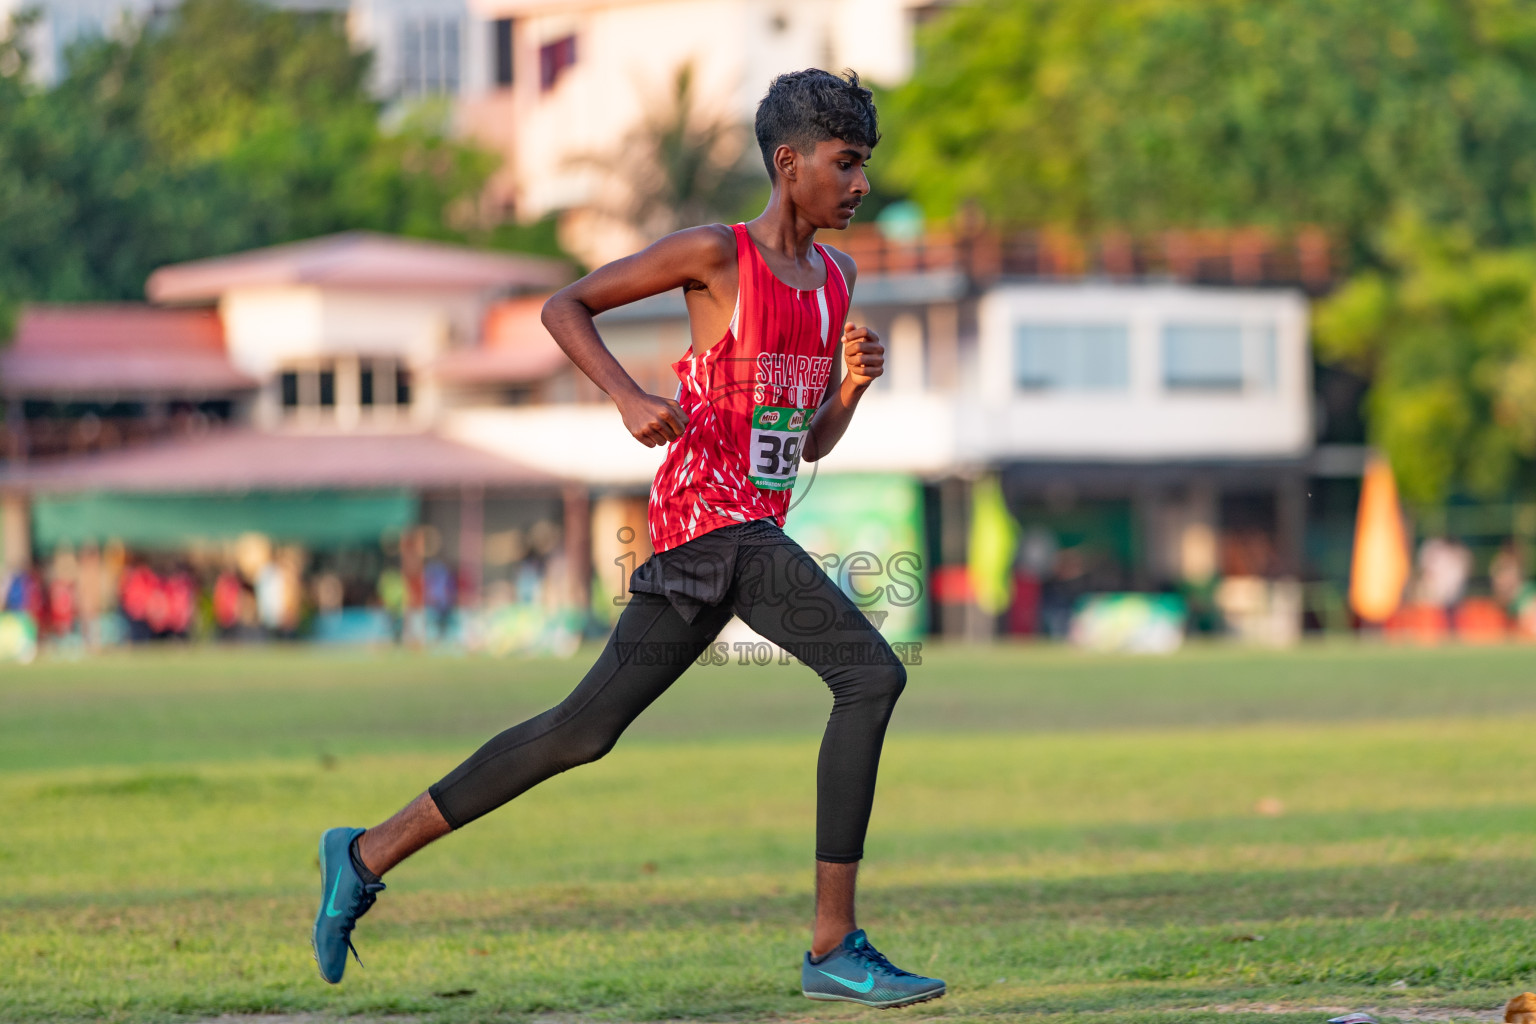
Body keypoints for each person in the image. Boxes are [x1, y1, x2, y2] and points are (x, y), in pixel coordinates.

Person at [310, 68, 945, 1009]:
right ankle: (833, 942)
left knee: (580, 731)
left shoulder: (838, 281)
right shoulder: (716, 255)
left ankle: (363, 852)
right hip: (704, 518)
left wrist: (849, 391)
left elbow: (800, 444)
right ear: (789, 162)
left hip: (747, 526)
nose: (860, 185)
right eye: (845, 164)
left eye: (864, 167)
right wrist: (627, 396)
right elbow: (563, 306)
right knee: (871, 673)